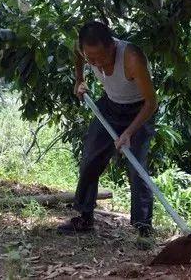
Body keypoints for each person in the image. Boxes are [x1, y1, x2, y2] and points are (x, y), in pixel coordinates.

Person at [57, 21, 158, 248]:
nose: (96, 63)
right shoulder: (85, 49)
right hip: (110, 107)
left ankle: (143, 229)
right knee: (90, 157)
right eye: (90, 59)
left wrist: (129, 133)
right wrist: (79, 80)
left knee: (137, 168)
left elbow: (152, 103)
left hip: (139, 111)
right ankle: (84, 217)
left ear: (112, 45)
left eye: (100, 58)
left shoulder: (131, 58)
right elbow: (78, 56)